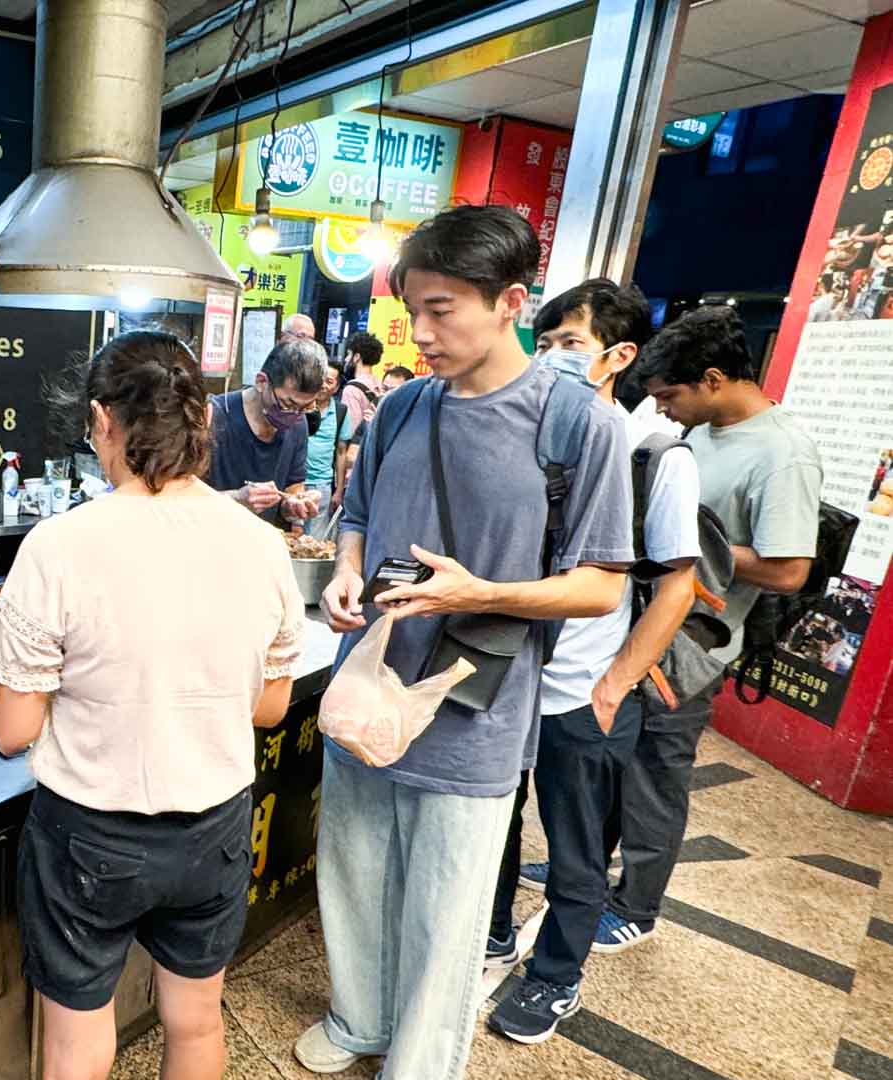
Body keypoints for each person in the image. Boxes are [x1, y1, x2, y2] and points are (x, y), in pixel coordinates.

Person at [296, 205, 633, 1079]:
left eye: (442, 310)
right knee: (357, 878)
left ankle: (419, 1064)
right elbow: (361, 514)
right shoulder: (404, 405)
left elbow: (601, 584)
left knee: (445, 911)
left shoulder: (577, 423)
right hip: (367, 690)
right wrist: (347, 568)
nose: (421, 332)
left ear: (511, 301)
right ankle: (359, 1019)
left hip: (474, 709)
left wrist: (482, 592)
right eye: (413, 310)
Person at [0, 331, 305, 1080]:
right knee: (193, 1022)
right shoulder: (258, 544)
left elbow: (11, 730)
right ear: (201, 419)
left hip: (91, 836)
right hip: (215, 829)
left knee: (76, 1037)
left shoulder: (61, 545)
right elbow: (271, 707)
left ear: (102, 420)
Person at [482, 280, 703, 1044]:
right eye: (542, 344)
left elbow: (678, 582)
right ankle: (495, 932)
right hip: (506, 682)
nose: (550, 360)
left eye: (570, 345)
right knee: (495, 825)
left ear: (619, 355)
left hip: (584, 691)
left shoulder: (653, 455)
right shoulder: (530, 435)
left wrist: (617, 683)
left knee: (576, 852)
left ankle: (555, 978)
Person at [578, 305, 821, 951]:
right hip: (643, 627)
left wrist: (681, 545)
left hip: (691, 649)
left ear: (712, 379)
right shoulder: (706, 430)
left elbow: (791, 568)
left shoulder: (782, 453)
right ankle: (591, 872)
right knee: (614, 758)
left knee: (656, 776)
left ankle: (637, 905)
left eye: (669, 396)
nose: (661, 411)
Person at [206, 335, 327, 524]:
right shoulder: (214, 417)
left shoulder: (298, 423)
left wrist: (294, 504)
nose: (294, 415)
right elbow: (177, 500)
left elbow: (293, 486)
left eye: (305, 407)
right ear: (262, 382)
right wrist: (237, 498)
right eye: (287, 404)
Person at [305, 355, 357, 537]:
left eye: (329, 381)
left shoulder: (341, 412)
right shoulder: (298, 405)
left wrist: (339, 491)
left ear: (336, 387)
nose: (323, 385)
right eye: (320, 379)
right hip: (293, 483)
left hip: (321, 485)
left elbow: (341, 453)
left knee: (316, 539)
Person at [340, 330, 385, 432]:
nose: (346, 359)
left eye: (348, 354)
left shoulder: (351, 389)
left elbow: (350, 430)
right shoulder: (380, 384)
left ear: (356, 357)